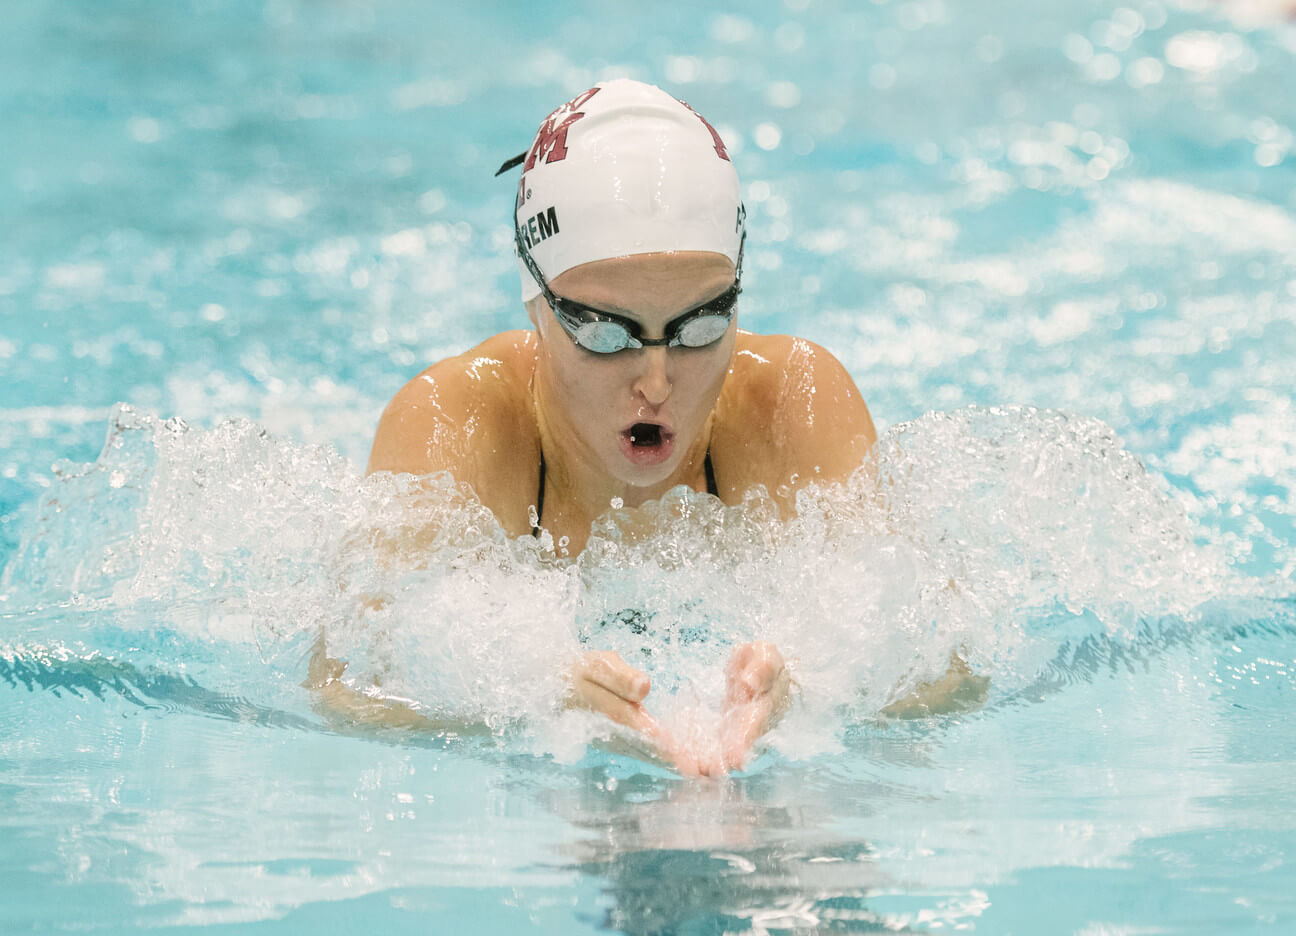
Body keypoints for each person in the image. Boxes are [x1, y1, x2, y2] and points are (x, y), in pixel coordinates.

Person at [313, 79, 979, 776]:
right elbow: (347, 684)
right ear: (536, 302)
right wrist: (528, 699)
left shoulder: (792, 405)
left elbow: (947, 668)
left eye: (702, 326)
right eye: (606, 334)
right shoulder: (458, 421)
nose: (657, 380)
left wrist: (816, 691)